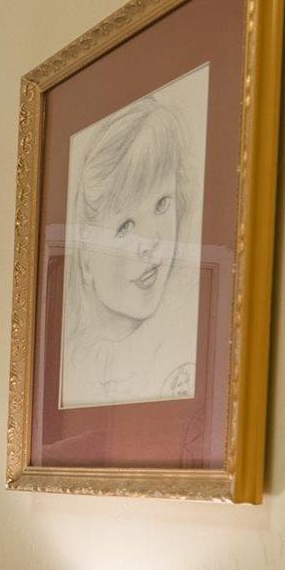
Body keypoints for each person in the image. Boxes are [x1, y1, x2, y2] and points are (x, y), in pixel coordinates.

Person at [60, 84, 200, 407]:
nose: (151, 242)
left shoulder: (182, 338)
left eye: (162, 204)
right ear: (86, 260)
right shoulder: (75, 362)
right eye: (124, 227)